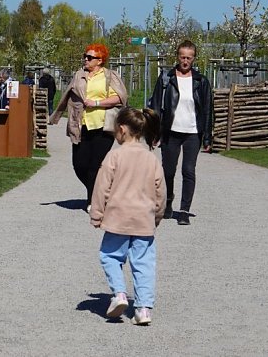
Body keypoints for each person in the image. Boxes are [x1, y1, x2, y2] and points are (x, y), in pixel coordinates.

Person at [90, 106, 165, 325]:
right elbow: (161, 191)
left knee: (110, 256)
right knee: (143, 264)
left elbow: (101, 187)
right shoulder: (152, 160)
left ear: (122, 129)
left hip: (117, 219)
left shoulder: (114, 156)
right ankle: (143, 309)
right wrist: (157, 216)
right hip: (144, 220)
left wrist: (97, 214)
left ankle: (120, 294)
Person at [49, 43, 127, 209]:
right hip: (81, 125)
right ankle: (102, 192)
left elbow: (121, 98)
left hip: (103, 126)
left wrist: (97, 102)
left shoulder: (110, 75)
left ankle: (93, 201)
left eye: (89, 57)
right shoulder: (79, 75)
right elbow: (67, 96)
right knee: (79, 165)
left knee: (93, 166)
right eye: (85, 56)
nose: (85, 59)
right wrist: (57, 114)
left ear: (99, 61)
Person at [147, 39, 213, 225]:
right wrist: (154, 134)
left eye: (189, 58)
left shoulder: (201, 81)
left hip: (193, 131)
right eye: (183, 57)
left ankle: (184, 210)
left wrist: (207, 136)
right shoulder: (166, 79)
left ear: (194, 59)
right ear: (177, 57)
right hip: (171, 131)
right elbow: (156, 108)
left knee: (188, 170)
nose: (185, 61)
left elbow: (207, 110)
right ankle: (168, 202)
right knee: (168, 171)